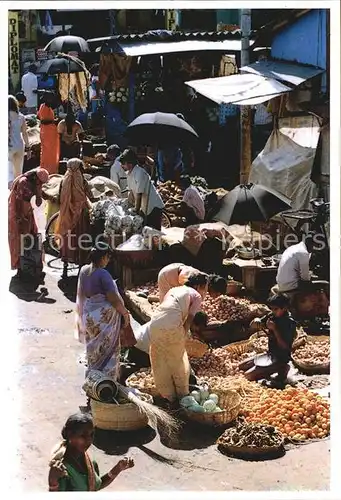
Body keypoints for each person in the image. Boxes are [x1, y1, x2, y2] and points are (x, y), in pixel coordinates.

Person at [149, 274, 209, 406]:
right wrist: (183, 335)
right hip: (171, 325)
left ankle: (168, 396)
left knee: (160, 359)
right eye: (204, 288)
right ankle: (182, 397)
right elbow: (189, 320)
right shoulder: (196, 296)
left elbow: (167, 309)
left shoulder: (174, 289)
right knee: (178, 360)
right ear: (199, 286)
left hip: (154, 323)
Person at [75, 244, 130, 379]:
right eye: (108, 257)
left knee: (93, 346)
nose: (108, 260)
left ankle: (94, 376)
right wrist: (125, 313)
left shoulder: (83, 270)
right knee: (107, 348)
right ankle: (107, 380)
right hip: (103, 316)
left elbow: (82, 293)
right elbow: (113, 298)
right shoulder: (103, 274)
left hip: (89, 314)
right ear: (103, 257)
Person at [48, 413, 134, 492]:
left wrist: (118, 468)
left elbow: (95, 487)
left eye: (91, 434)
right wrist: (53, 482)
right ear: (70, 434)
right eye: (83, 435)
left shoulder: (88, 460)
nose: (89, 440)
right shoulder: (62, 468)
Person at [240, 294, 297, 387]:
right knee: (241, 366)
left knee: (248, 375)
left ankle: (282, 368)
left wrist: (275, 330)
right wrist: (257, 321)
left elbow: (285, 347)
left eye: (276, 309)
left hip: (281, 358)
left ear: (284, 308)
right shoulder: (273, 315)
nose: (273, 311)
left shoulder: (289, 323)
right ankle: (271, 368)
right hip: (270, 354)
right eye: (272, 309)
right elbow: (260, 320)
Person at [8, 167, 49, 280]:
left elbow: (38, 196)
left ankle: (30, 267)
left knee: (31, 241)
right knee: (21, 242)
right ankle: (21, 269)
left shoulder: (33, 182)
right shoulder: (24, 183)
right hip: (19, 217)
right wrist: (26, 219)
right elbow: (24, 205)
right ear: (36, 178)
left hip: (29, 216)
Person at [54, 158, 93, 277]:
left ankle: (65, 267)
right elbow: (90, 194)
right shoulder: (82, 180)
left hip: (66, 215)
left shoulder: (64, 180)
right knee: (81, 238)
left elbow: (59, 196)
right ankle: (81, 266)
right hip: (80, 215)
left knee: (67, 238)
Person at [120, 148, 165, 230]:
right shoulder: (129, 174)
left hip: (153, 206)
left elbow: (139, 194)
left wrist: (136, 210)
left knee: (154, 233)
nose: (122, 166)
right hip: (144, 208)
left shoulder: (140, 173)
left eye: (123, 164)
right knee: (145, 233)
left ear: (129, 164)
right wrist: (126, 206)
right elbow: (131, 193)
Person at [272, 233, 315, 299]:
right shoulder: (303, 252)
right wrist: (310, 275)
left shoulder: (292, 248)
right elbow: (305, 277)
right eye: (314, 246)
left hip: (281, 283)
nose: (313, 249)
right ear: (310, 244)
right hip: (290, 286)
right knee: (311, 287)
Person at [158, 262, 227, 302]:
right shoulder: (200, 284)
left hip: (177, 269)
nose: (216, 297)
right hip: (167, 274)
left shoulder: (205, 280)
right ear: (212, 287)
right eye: (217, 294)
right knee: (166, 303)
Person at [8, 95, 30, 184]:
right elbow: (25, 133)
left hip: (8, 146)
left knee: (8, 172)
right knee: (18, 172)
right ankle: (17, 192)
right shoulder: (21, 117)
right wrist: (28, 148)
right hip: (20, 146)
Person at [37, 91, 60, 175]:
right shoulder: (44, 107)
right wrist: (54, 120)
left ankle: (50, 169)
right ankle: (48, 170)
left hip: (49, 132)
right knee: (48, 152)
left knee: (51, 152)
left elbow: (39, 116)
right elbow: (43, 120)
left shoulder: (44, 106)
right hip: (47, 133)